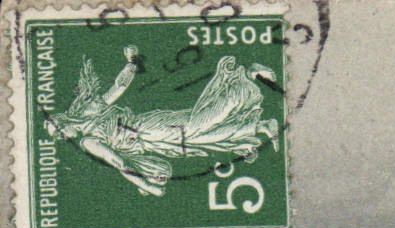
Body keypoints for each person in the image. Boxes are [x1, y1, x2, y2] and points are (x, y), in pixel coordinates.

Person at [44, 45, 279, 196]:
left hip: (149, 128)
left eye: (59, 131)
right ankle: (259, 127)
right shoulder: (86, 138)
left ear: (63, 120)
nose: (62, 137)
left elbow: (118, 88)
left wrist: (131, 62)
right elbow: (121, 161)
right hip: (152, 143)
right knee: (201, 138)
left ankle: (246, 76)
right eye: (58, 137)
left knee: (198, 125)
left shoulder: (89, 128)